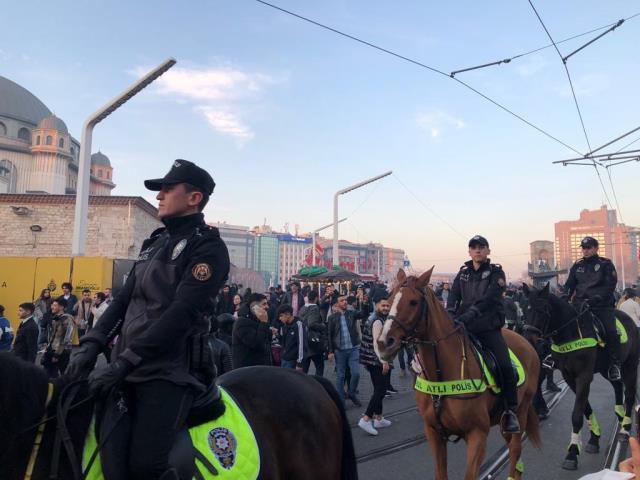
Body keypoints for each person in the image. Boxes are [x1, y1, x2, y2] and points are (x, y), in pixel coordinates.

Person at [67, 159, 230, 480]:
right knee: (108, 461)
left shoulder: (208, 248)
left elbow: (181, 315)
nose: (159, 197)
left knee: (145, 467)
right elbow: (122, 302)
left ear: (194, 198)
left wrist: (124, 362)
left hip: (172, 373)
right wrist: (91, 345)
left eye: (168, 190)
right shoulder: (153, 243)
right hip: (128, 369)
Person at [447, 235, 520, 434]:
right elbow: (453, 296)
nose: (477, 250)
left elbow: (490, 298)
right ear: (469, 252)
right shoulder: (462, 273)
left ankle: (510, 410)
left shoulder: (496, 272)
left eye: (481, 247)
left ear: (488, 251)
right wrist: (451, 313)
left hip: (487, 327)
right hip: (464, 327)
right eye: (473, 248)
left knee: (505, 365)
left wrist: (471, 313)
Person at [564, 236, 620, 381]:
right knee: (560, 325)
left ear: (596, 248)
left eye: (588, 248)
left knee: (611, 331)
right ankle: (553, 356)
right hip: (579, 307)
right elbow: (569, 285)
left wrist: (596, 299)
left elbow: (610, 285)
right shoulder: (577, 265)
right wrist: (563, 298)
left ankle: (614, 364)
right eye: (583, 248)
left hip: (601, 306)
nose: (585, 250)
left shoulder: (605, 264)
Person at [358, 293, 393, 436]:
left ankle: (378, 417)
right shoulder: (377, 321)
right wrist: (384, 361)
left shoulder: (377, 317)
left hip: (371, 359)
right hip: (376, 360)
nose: (385, 308)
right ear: (377, 305)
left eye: (387, 305)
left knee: (380, 388)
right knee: (380, 390)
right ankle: (366, 418)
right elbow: (377, 342)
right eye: (383, 305)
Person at [328, 295, 362, 406]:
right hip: (340, 350)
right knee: (340, 376)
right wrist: (330, 351)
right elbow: (329, 335)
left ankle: (351, 393)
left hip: (353, 349)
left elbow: (362, 314)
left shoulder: (351, 314)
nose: (344, 302)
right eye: (342, 301)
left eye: (345, 300)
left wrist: (362, 301)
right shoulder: (332, 318)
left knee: (356, 373)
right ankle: (341, 400)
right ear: (337, 304)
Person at [232, 293, 272, 368]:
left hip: (260, 368)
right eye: (264, 304)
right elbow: (257, 343)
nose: (267, 307)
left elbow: (267, 340)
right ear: (254, 307)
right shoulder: (242, 323)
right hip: (247, 371)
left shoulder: (258, 319)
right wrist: (263, 323)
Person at [42, 298, 74, 378]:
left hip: (61, 353)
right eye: (52, 305)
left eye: (55, 305)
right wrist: (48, 347)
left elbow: (67, 338)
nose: (52, 307)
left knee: (63, 376)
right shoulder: (55, 318)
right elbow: (53, 335)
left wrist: (57, 355)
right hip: (51, 350)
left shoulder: (68, 319)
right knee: (48, 374)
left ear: (61, 307)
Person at [299, 290, 326, 376]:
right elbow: (312, 324)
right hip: (314, 341)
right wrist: (323, 326)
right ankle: (317, 385)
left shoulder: (303, 308)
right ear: (316, 298)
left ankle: (304, 386)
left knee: (305, 368)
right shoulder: (314, 308)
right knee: (319, 367)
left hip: (304, 340)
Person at [276, 304, 306, 370]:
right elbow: (282, 342)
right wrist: (277, 334)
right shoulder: (284, 325)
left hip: (293, 360)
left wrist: (299, 363)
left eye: (281, 316)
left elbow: (301, 344)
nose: (279, 318)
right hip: (284, 358)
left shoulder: (298, 324)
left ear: (288, 314)